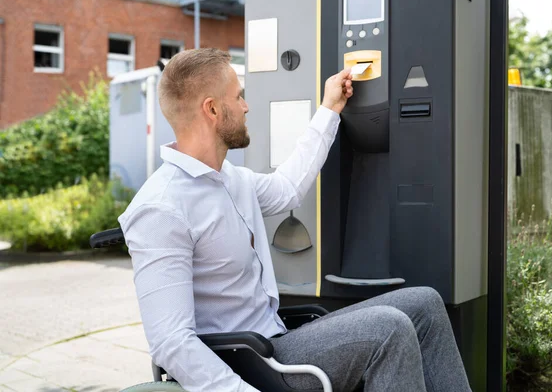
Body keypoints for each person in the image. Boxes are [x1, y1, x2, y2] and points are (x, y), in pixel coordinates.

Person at [118, 48, 471, 392]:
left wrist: (330, 108)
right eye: (238, 97)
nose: (246, 106)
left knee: (424, 303)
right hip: (251, 367)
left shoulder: (231, 179)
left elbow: (287, 187)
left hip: (279, 339)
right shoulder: (161, 208)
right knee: (389, 328)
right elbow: (171, 342)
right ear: (211, 109)